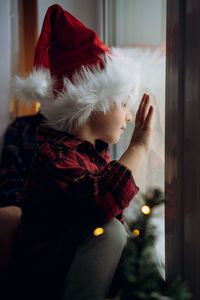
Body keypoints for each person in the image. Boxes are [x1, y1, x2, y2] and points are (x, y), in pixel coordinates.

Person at [8, 4, 154, 300]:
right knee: (111, 230)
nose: (128, 117)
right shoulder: (54, 158)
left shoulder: (94, 156)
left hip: (68, 269)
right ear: (93, 102)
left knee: (133, 237)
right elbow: (100, 203)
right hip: (45, 285)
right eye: (124, 103)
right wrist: (138, 146)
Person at [0, 113, 44, 274]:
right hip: (21, 203)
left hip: (63, 206)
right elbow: (9, 174)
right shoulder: (23, 126)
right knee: (8, 217)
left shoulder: (85, 126)